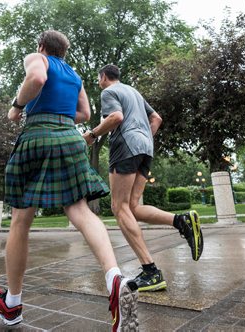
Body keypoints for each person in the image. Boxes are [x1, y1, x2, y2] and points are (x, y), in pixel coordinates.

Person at [0, 30, 138, 331]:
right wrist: (62, 117)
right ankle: (114, 277)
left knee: (21, 219)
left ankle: (13, 303)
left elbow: (37, 79)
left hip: (38, 137)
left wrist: (17, 107)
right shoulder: (74, 75)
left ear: (41, 46)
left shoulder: (37, 58)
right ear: (64, 52)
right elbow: (84, 113)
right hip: (70, 138)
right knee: (81, 210)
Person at [83, 64, 204, 292]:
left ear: (104, 77)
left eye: (99, 79)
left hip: (126, 147)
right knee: (133, 207)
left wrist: (91, 135)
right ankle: (182, 220)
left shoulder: (109, 92)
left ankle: (150, 271)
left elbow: (116, 117)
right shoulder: (134, 92)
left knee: (119, 208)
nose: (99, 82)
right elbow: (156, 119)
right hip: (146, 148)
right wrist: (143, 138)